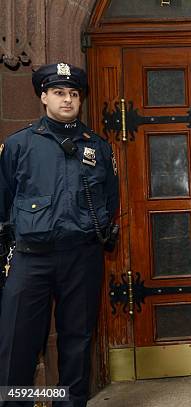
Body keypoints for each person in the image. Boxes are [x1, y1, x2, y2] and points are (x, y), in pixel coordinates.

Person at [0, 62, 119, 407]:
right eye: (58, 93)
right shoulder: (19, 145)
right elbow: (3, 202)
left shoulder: (97, 147)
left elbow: (111, 200)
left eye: (73, 94)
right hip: (29, 258)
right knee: (17, 345)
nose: (67, 100)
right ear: (43, 97)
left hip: (81, 257)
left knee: (76, 343)